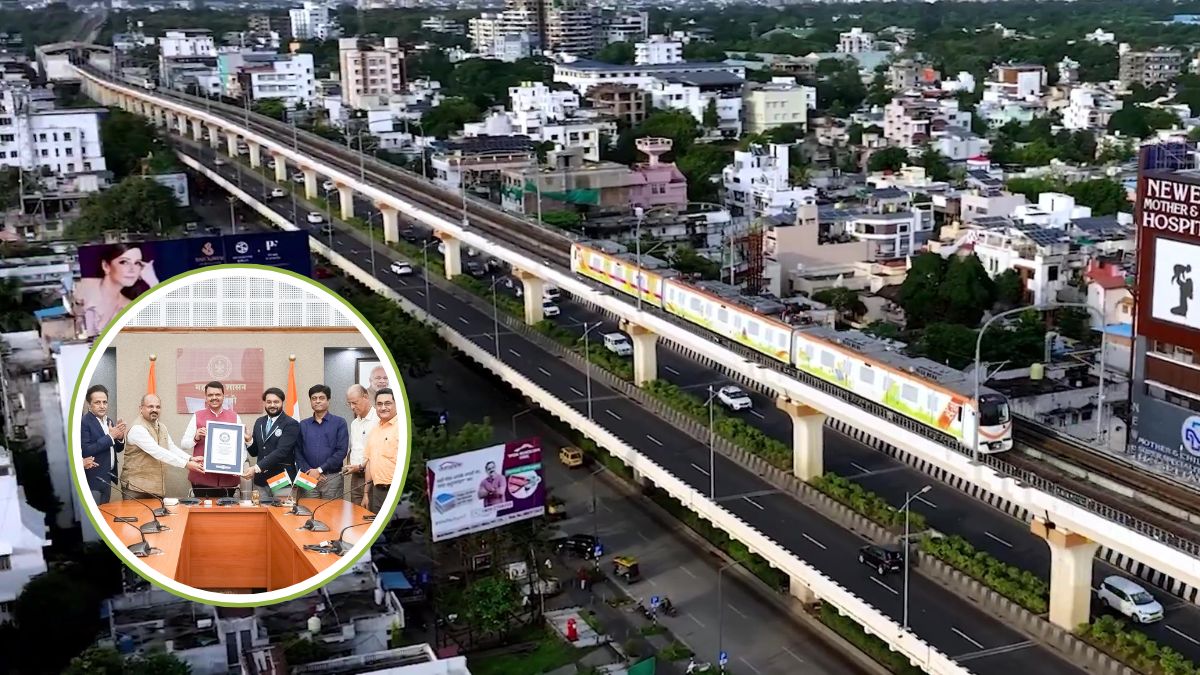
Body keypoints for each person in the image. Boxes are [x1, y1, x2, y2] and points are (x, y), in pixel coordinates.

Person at [122, 394, 206, 499]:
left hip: (155, 489)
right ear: (141, 408)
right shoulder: (137, 428)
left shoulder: (162, 427)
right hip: (135, 489)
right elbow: (157, 451)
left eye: (158, 407)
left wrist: (190, 458)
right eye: (150, 406)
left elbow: (171, 447)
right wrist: (186, 464)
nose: (154, 410)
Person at [73, 244, 160, 336]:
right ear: (106, 266)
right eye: (124, 262)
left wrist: (154, 282)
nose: (132, 269)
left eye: (137, 263)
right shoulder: (84, 287)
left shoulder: (128, 307)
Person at [180, 381, 246, 499]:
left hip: (228, 479)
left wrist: (238, 466)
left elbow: (242, 448)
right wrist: (196, 437)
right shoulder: (197, 416)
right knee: (202, 510)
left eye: (217, 394)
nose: (214, 398)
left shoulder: (235, 417)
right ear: (206, 397)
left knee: (227, 510)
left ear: (223, 396)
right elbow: (184, 444)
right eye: (210, 395)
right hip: (202, 477)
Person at [243, 388, 301, 497]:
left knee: (281, 508)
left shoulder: (291, 423)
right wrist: (249, 440)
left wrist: (255, 468)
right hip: (261, 481)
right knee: (260, 508)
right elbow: (255, 452)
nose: (272, 405)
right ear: (265, 403)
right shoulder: (259, 422)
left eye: (276, 402)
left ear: (282, 402)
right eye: (269, 402)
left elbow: (281, 451)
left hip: (281, 480)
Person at [297, 384, 349, 499]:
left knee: (332, 510)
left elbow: (341, 451)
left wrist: (320, 470)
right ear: (310, 401)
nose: (317, 401)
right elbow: (297, 452)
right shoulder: (303, 425)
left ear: (328, 400)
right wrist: (310, 472)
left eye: (321, 398)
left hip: (332, 478)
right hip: (307, 477)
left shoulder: (339, 423)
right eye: (314, 398)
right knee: (307, 509)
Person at [80, 384, 126, 503]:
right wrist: (110, 437)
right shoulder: (84, 422)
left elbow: (117, 449)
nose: (102, 406)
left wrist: (120, 437)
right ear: (89, 404)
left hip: (107, 478)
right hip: (92, 479)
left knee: (105, 511)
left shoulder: (108, 421)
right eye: (97, 402)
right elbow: (85, 450)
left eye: (104, 402)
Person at [361, 388, 400, 513]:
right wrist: (366, 494)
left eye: (387, 403)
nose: (383, 408)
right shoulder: (375, 430)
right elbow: (370, 462)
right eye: (379, 404)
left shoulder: (402, 428)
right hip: (377, 491)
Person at [342, 384, 377, 503]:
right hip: (355, 477)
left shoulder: (378, 420)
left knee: (370, 511)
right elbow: (354, 448)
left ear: (366, 397)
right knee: (355, 511)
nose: (352, 407)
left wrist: (360, 467)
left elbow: (376, 453)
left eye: (355, 403)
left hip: (372, 477)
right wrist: (349, 464)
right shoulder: (354, 423)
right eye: (349, 403)